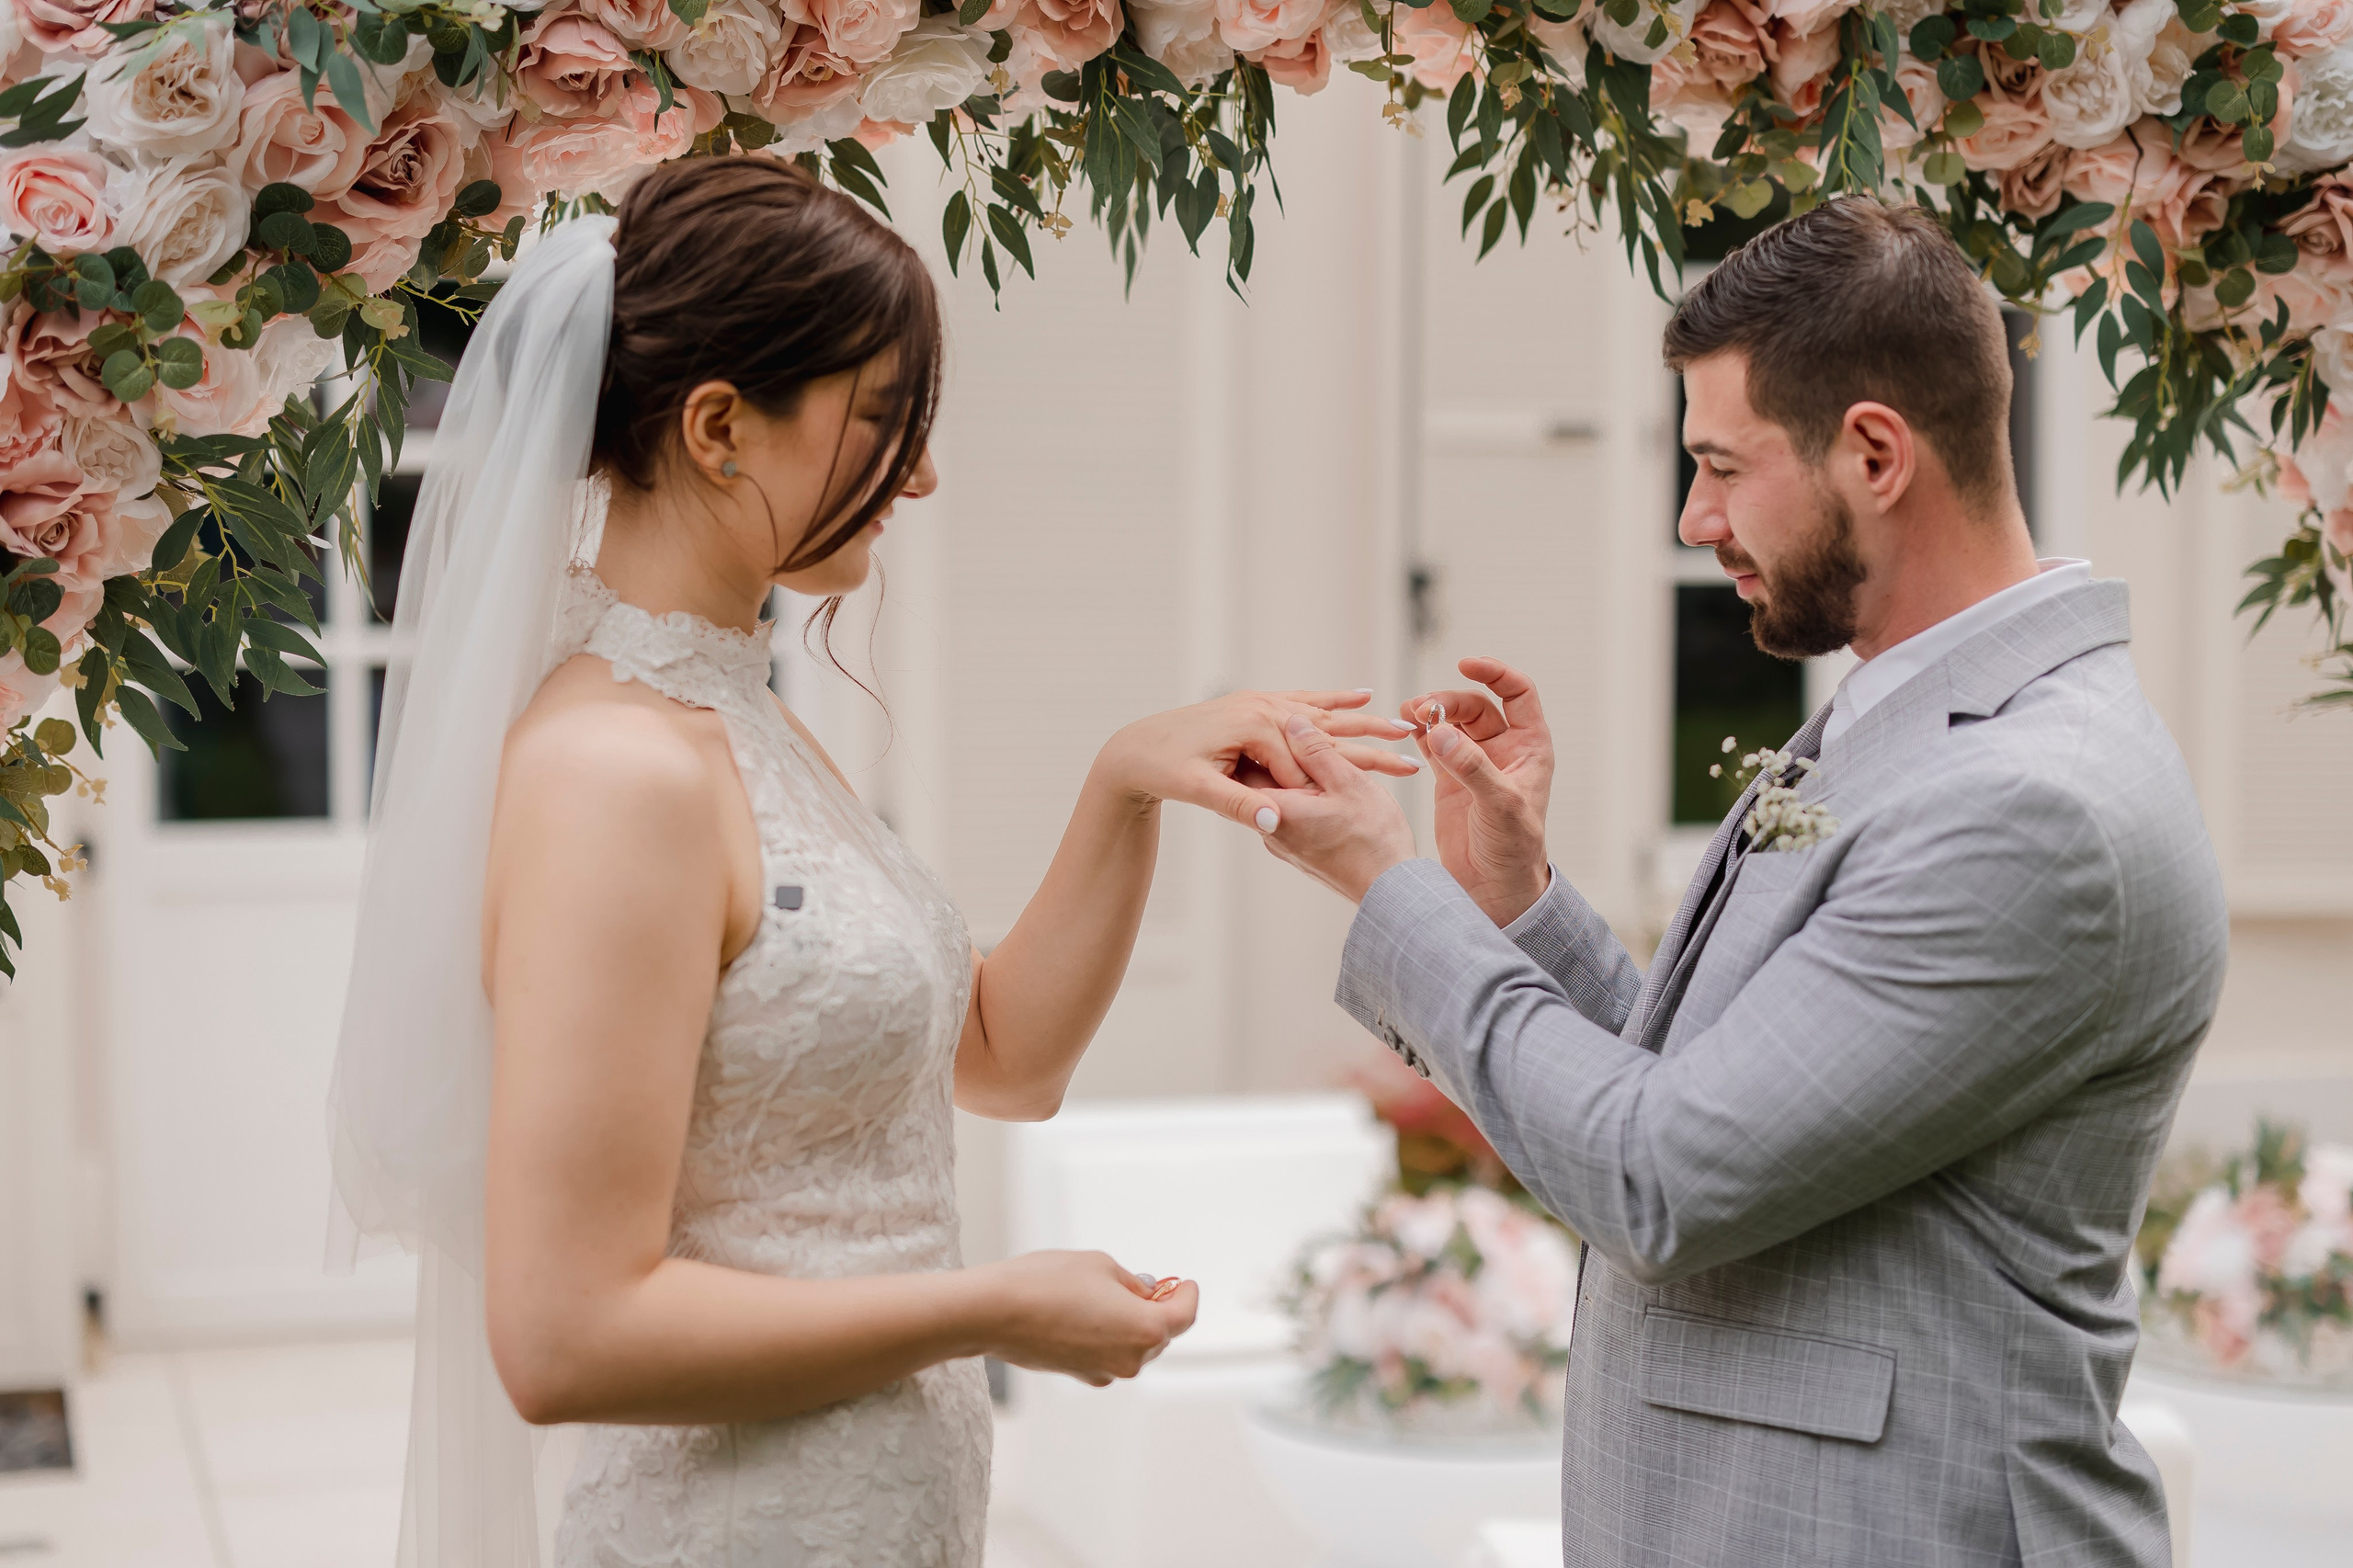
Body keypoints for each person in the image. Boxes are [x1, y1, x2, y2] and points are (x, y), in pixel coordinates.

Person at [324, 157, 1417, 1568]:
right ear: (721, 426)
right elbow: (565, 1332)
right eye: (884, 420)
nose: (924, 469)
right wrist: (992, 1307)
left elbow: (1004, 1056)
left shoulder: (737, 714)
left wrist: (1126, 781)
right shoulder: (618, 772)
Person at [1250, 198, 2230, 1566]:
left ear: (1875, 451)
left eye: (1721, 463)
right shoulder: (1915, 709)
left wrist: (1385, 884)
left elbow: (1662, 1174)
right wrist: (1518, 898)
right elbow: (1744, 1083)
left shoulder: (2033, 808)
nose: (1692, 513)